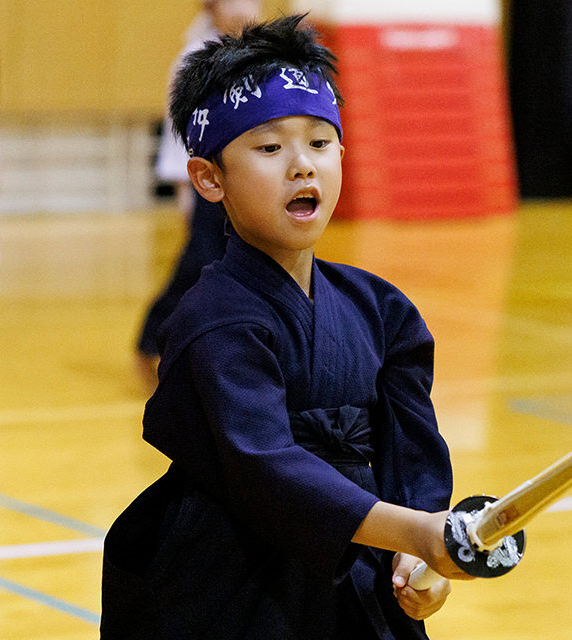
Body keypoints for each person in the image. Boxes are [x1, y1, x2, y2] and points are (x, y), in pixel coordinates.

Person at [101, 15, 472, 639]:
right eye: (270, 148)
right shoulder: (213, 321)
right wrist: (411, 530)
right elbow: (265, 467)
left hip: (355, 574)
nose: (302, 166)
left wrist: (415, 555)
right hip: (229, 584)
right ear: (208, 178)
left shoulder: (381, 309)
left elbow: (409, 448)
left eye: (320, 144)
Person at [136, 0, 263, 390]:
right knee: (198, 267)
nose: (246, 6)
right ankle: (150, 341)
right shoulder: (195, 57)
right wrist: (186, 194)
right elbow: (180, 138)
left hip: (247, 183)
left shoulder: (261, 54)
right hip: (207, 184)